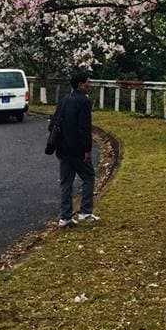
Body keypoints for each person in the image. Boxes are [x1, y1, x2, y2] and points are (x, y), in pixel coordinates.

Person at [49, 73, 99, 226]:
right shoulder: (83, 101)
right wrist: (87, 149)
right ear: (80, 85)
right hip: (77, 149)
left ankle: (65, 217)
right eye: (87, 83)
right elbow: (84, 127)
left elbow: (53, 123)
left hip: (63, 148)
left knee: (66, 182)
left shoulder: (64, 100)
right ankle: (86, 211)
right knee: (89, 176)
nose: (89, 85)